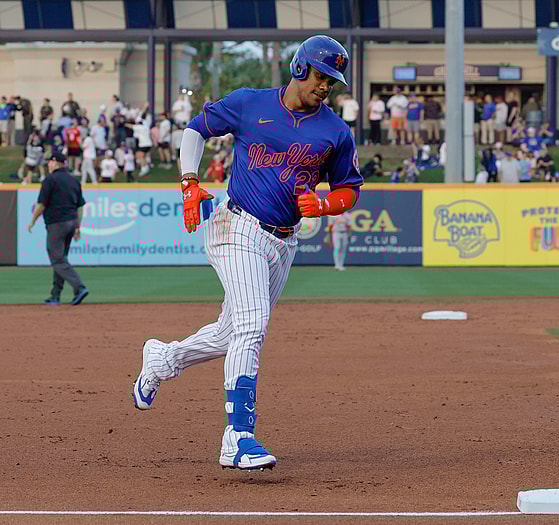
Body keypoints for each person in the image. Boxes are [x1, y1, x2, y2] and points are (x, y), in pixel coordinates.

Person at [132, 35, 363, 472]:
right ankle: (237, 436)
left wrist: (327, 204)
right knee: (253, 326)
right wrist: (188, 181)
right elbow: (195, 130)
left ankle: (162, 359)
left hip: (283, 241)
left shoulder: (335, 130)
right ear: (299, 69)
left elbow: (350, 188)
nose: (325, 86)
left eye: (332, 81)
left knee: (230, 332)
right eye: (321, 76)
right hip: (235, 224)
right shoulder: (248, 102)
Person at [26, 151, 89, 306]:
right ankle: (55, 295)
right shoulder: (74, 180)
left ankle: (79, 287)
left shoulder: (50, 180)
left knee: (57, 259)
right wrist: (78, 226)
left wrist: (32, 220)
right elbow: (80, 206)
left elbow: (41, 204)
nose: (48, 164)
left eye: (50, 162)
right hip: (71, 222)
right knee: (60, 260)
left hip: (57, 224)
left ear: (55, 163)